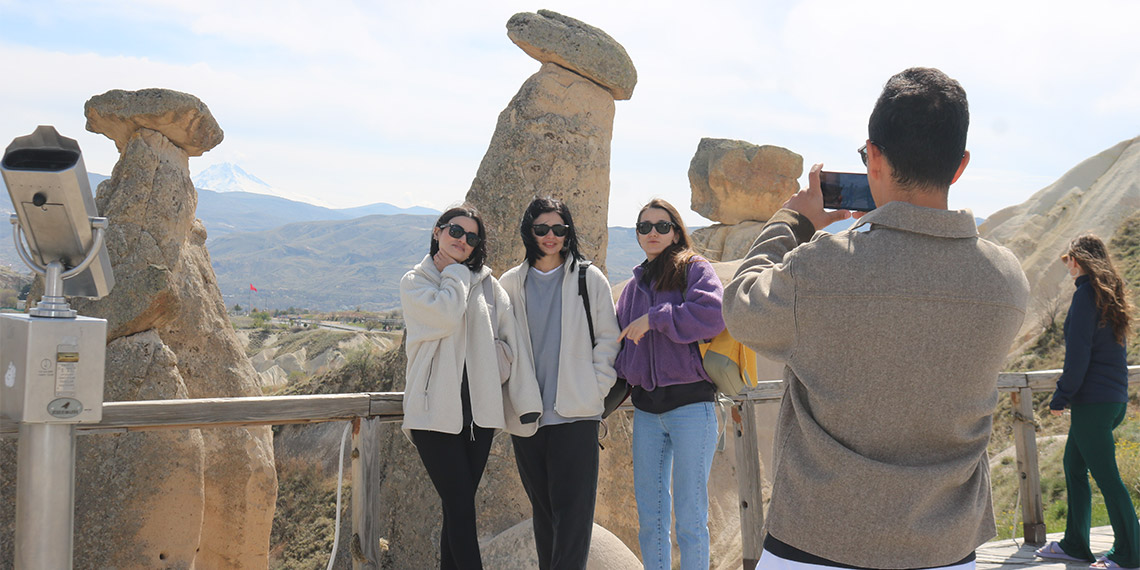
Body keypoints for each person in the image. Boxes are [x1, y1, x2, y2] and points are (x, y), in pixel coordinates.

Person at [723, 67, 1030, 570]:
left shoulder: (822, 266)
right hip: (947, 549)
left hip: (817, 542)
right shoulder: (1006, 278)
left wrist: (792, 220)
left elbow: (740, 306)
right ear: (960, 166)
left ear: (875, 157)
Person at [400, 205, 540, 570]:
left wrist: (495, 358)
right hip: (433, 414)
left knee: (456, 510)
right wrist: (459, 274)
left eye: (472, 237)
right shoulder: (416, 282)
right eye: (455, 231)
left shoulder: (490, 287)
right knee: (462, 508)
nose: (463, 240)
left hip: (480, 415)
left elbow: (511, 339)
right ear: (437, 231)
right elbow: (445, 317)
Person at [499, 197, 621, 570]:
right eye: (542, 229)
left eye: (559, 229)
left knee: (574, 516)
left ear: (567, 233)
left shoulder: (588, 277)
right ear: (529, 231)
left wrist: (594, 388)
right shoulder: (509, 283)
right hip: (527, 416)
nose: (550, 236)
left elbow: (608, 339)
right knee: (544, 512)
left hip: (576, 414)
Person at [613, 198, 725, 570]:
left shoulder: (693, 268)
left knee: (690, 517)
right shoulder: (632, 288)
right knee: (651, 518)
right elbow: (619, 347)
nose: (653, 233)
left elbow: (712, 316)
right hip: (646, 413)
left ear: (676, 231)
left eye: (662, 226)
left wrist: (656, 318)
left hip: (692, 408)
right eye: (644, 227)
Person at [1035, 234, 1139, 570]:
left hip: (1092, 402)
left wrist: (1062, 394)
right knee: (1074, 467)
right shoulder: (1109, 294)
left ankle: (1130, 552)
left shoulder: (1085, 296)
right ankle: (1076, 544)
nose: (1067, 266)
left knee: (1107, 478)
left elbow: (1078, 354)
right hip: (1112, 399)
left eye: (1068, 260)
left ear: (1077, 261)